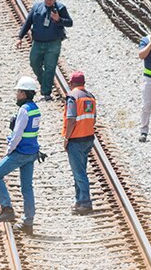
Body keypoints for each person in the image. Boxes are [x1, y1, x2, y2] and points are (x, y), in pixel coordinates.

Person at [0, 77, 42, 234]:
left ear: (24, 93)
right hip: (32, 152)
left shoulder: (24, 110)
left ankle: (6, 208)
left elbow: (17, 134)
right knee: (27, 187)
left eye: (18, 91)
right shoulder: (35, 109)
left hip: (21, 152)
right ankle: (28, 222)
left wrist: (9, 150)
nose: (16, 94)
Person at [16, 0, 73, 101]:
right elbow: (28, 22)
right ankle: (45, 82)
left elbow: (69, 23)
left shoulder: (60, 8)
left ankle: (46, 93)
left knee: (50, 68)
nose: (48, 1)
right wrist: (20, 37)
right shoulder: (37, 7)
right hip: (38, 42)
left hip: (53, 44)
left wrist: (59, 19)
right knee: (34, 63)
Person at [62, 71, 96, 214]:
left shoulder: (73, 97)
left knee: (79, 173)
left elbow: (71, 119)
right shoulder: (90, 97)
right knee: (80, 171)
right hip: (88, 138)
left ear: (72, 83)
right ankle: (79, 200)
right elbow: (94, 118)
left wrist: (66, 138)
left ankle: (85, 203)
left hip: (76, 139)